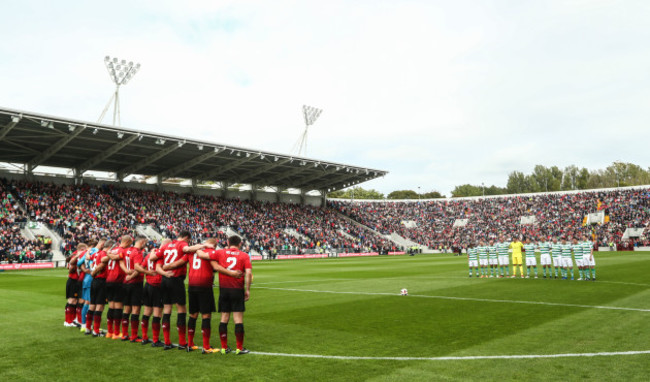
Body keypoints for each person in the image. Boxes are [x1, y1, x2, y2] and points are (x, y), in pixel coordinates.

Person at [165, 237, 243, 353]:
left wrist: (165, 268)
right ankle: (206, 347)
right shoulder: (211, 252)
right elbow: (216, 267)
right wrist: (232, 273)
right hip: (204, 287)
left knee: (193, 315)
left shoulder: (192, 252)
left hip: (192, 286)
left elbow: (178, 263)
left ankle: (190, 344)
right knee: (206, 316)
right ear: (214, 245)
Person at [155, 231, 207, 350]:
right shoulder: (181, 244)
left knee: (167, 309)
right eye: (188, 241)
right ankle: (182, 342)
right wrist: (203, 246)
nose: (187, 243)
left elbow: (154, 257)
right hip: (176, 279)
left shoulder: (167, 246)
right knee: (181, 309)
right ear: (186, 238)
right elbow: (187, 250)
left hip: (164, 279)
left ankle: (167, 342)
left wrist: (164, 268)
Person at [213, 235, 252, 355]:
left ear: (228, 243)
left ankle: (224, 347)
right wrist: (247, 290)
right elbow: (249, 273)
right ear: (240, 244)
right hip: (237, 289)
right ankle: (239, 348)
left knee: (224, 318)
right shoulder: (244, 255)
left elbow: (205, 254)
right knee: (238, 319)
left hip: (224, 289)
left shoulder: (220, 252)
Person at [134, 239, 169, 347]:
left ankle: (144, 338)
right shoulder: (160, 254)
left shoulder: (149, 254)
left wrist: (146, 273)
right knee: (157, 313)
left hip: (147, 285)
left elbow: (141, 266)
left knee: (146, 312)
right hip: (157, 285)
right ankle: (155, 340)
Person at [105, 235, 132, 339]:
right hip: (118, 280)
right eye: (130, 243)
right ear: (128, 241)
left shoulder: (114, 249)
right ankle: (116, 333)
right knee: (118, 307)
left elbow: (106, 259)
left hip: (109, 280)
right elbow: (118, 260)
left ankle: (109, 332)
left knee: (111, 306)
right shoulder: (122, 251)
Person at [121, 236, 147, 342]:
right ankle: (134, 336)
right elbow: (138, 268)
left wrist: (127, 272)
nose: (146, 244)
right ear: (142, 241)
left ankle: (125, 334)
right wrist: (131, 276)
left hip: (125, 283)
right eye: (145, 242)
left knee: (127, 308)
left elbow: (120, 261)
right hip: (135, 283)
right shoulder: (138, 252)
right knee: (136, 309)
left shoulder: (127, 250)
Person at [90, 239, 113, 337]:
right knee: (100, 306)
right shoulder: (103, 254)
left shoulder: (97, 253)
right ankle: (96, 331)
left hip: (95, 281)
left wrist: (93, 272)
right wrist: (94, 272)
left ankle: (88, 328)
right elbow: (101, 265)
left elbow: (90, 260)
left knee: (93, 304)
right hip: (101, 281)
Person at [78, 240, 99, 334]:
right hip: (91, 279)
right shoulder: (94, 251)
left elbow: (79, 263)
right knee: (90, 303)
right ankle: (86, 325)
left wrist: (84, 269)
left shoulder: (86, 253)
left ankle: (84, 324)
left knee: (87, 302)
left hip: (86, 279)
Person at [64, 244, 86, 327]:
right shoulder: (75, 255)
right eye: (84, 249)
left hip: (76, 281)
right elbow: (69, 269)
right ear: (81, 249)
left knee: (76, 301)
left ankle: (73, 320)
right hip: (73, 281)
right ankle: (68, 321)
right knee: (72, 300)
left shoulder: (77, 255)